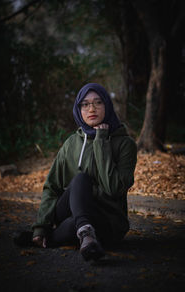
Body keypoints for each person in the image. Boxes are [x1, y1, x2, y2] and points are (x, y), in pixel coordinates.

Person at [32, 83, 137, 261]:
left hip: (106, 221)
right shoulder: (72, 143)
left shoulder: (125, 144)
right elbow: (52, 187)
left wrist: (101, 141)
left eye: (98, 102)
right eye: (85, 104)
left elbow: (113, 188)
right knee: (81, 180)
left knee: (75, 223)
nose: (92, 109)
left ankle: (51, 238)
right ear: (79, 109)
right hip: (71, 210)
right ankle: (84, 233)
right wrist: (41, 226)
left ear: (107, 106)